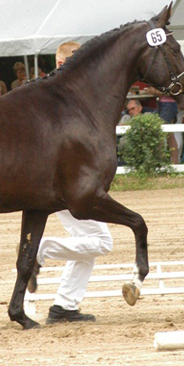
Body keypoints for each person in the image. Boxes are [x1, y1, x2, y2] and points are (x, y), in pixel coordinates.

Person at [30, 40, 114, 325]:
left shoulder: (49, 91)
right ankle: (41, 250)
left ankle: (64, 306)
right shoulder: (60, 93)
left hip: (62, 177)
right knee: (102, 242)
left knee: (88, 244)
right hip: (65, 180)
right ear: (64, 63)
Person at [145, 86, 181, 164]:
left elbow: (172, 92)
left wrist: (155, 92)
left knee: (161, 133)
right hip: (165, 103)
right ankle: (173, 162)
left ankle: (162, 161)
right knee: (169, 134)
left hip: (168, 104)